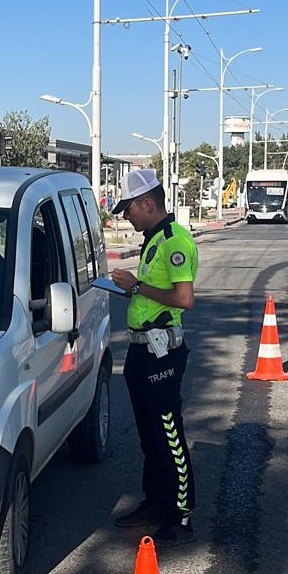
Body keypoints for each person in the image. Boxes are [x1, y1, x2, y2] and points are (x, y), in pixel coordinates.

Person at [108, 168, 199, 546]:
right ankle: (155, 504)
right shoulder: (153, 239)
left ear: (148, 203)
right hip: (142, 350)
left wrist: (137, 285)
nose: (126, 216)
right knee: (149, 436)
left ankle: (180, 514)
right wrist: (134, 290)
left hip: (163, 354)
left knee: (169, 436)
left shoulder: (175, 241)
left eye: (129, 209)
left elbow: (184, 299)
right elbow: (152, 293)